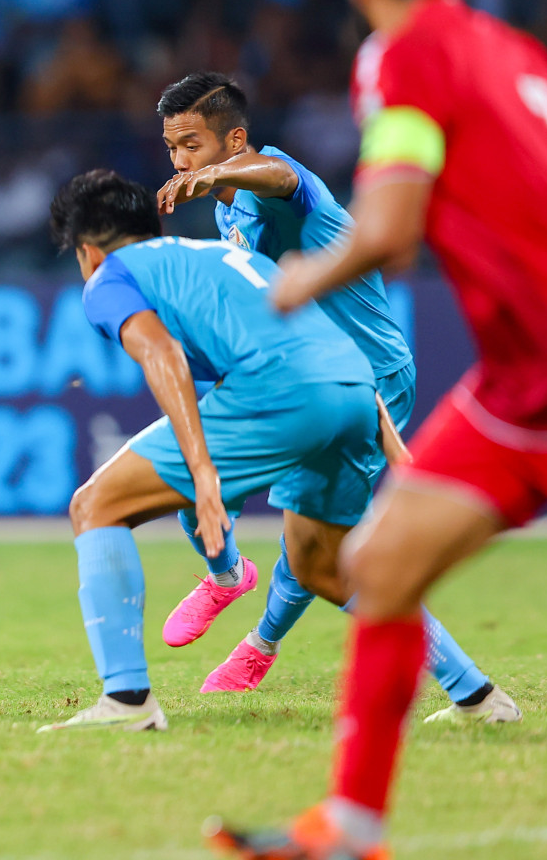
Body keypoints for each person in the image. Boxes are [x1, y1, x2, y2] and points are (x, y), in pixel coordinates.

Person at [206, 0, 547, 860]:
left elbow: (394, 227)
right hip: (521, 387)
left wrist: (297, 280)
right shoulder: (518, 52)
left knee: (373, 564)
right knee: (379, 566)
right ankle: (350, 825)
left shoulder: (401, 55)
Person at [151, 72, 517, 722]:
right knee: (186, 471)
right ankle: (230, 579)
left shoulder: (276, 181)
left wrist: (217, 177)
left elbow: (277, 179)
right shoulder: (227, 207)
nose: (180, 162)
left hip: (366, 379)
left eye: (193, 147)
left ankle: (472, 694)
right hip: (304, 377)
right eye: (173, 148)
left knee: (320, 552)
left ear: (234, 140)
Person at [38, 168, 377, 732]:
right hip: (353, 389)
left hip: (279, 394)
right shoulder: (220, 256)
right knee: (324, 567)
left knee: (95, 506)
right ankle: (477, 693)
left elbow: (162, 356)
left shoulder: (109, 279)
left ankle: (127, 701)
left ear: (88, 251)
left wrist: (202, 472)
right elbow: (318, 335)